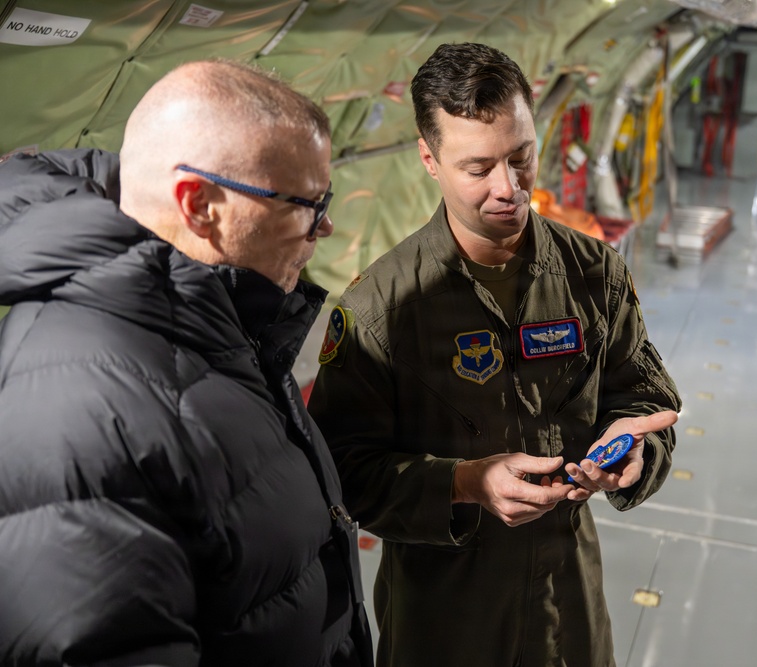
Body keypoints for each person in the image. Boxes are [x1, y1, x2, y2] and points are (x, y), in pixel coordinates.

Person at [308, 42, 681, 666]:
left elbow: (644, 396)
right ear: (430, 160)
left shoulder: (594, 274)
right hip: (445, 624)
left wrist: (636, 457)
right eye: (478, 168)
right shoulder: (382, 308)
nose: (509, 188)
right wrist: (464, 482)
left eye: (522, 157)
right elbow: (338, 472)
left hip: (569, 613)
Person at [0, 60, 373, 666]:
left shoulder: (220, 331)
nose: (326, 226)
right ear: (199, 204)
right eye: (309, 203)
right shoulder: (88, 412)